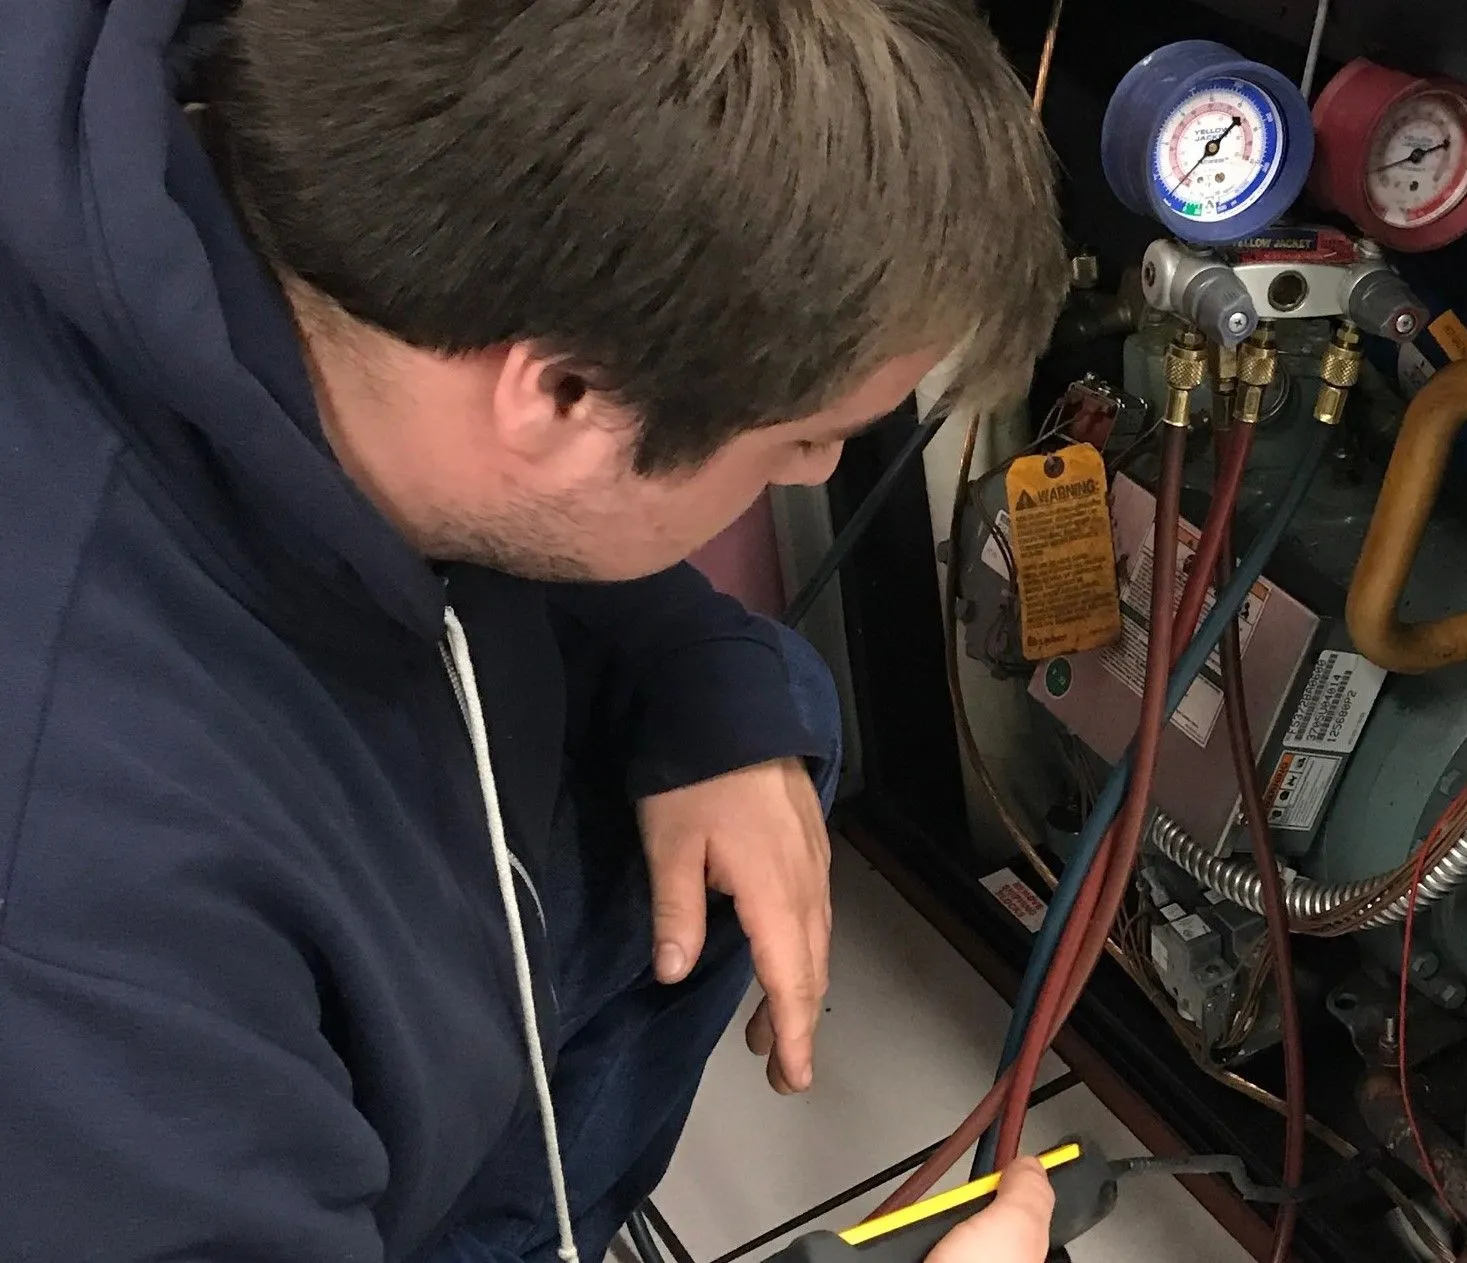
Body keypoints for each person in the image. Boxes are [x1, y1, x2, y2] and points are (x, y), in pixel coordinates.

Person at [0, 0, 1066, 1259]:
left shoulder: (252, 151)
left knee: (766, 709)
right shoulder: (97, 923)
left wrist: (696, 677)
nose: (809, 470)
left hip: (387, 887)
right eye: (802, 441)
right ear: (559, 396)